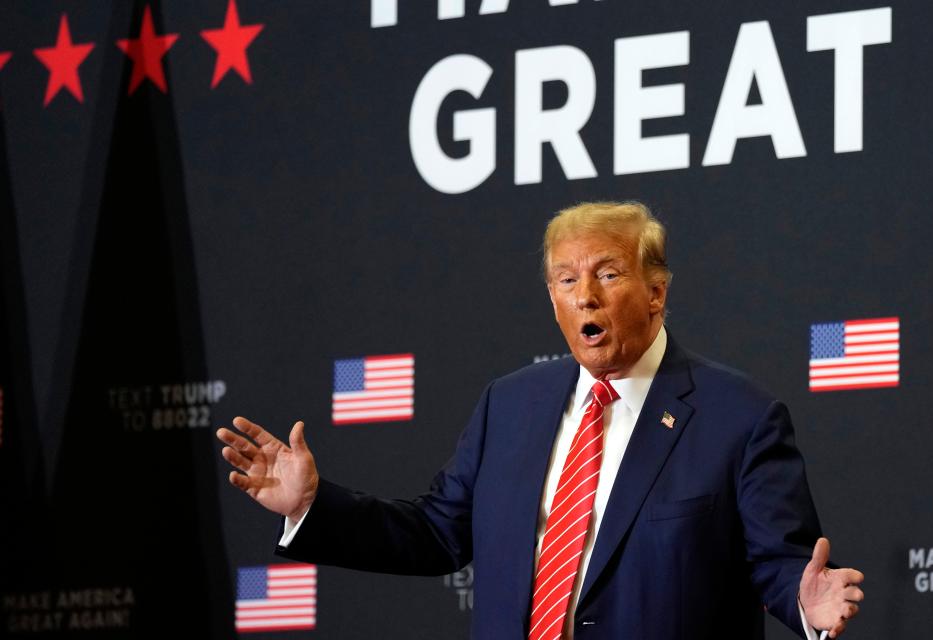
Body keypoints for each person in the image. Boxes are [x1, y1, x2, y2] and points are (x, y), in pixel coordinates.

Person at [217, 201, 864, 640]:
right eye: (566, 279)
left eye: (609, 274)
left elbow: (779, 563)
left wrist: (805, 608)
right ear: (552, 298)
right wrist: (312, 506)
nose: (586, 294)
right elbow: (437, 533)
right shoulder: (511, 404)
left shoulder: (739, 418)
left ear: (657, 292)